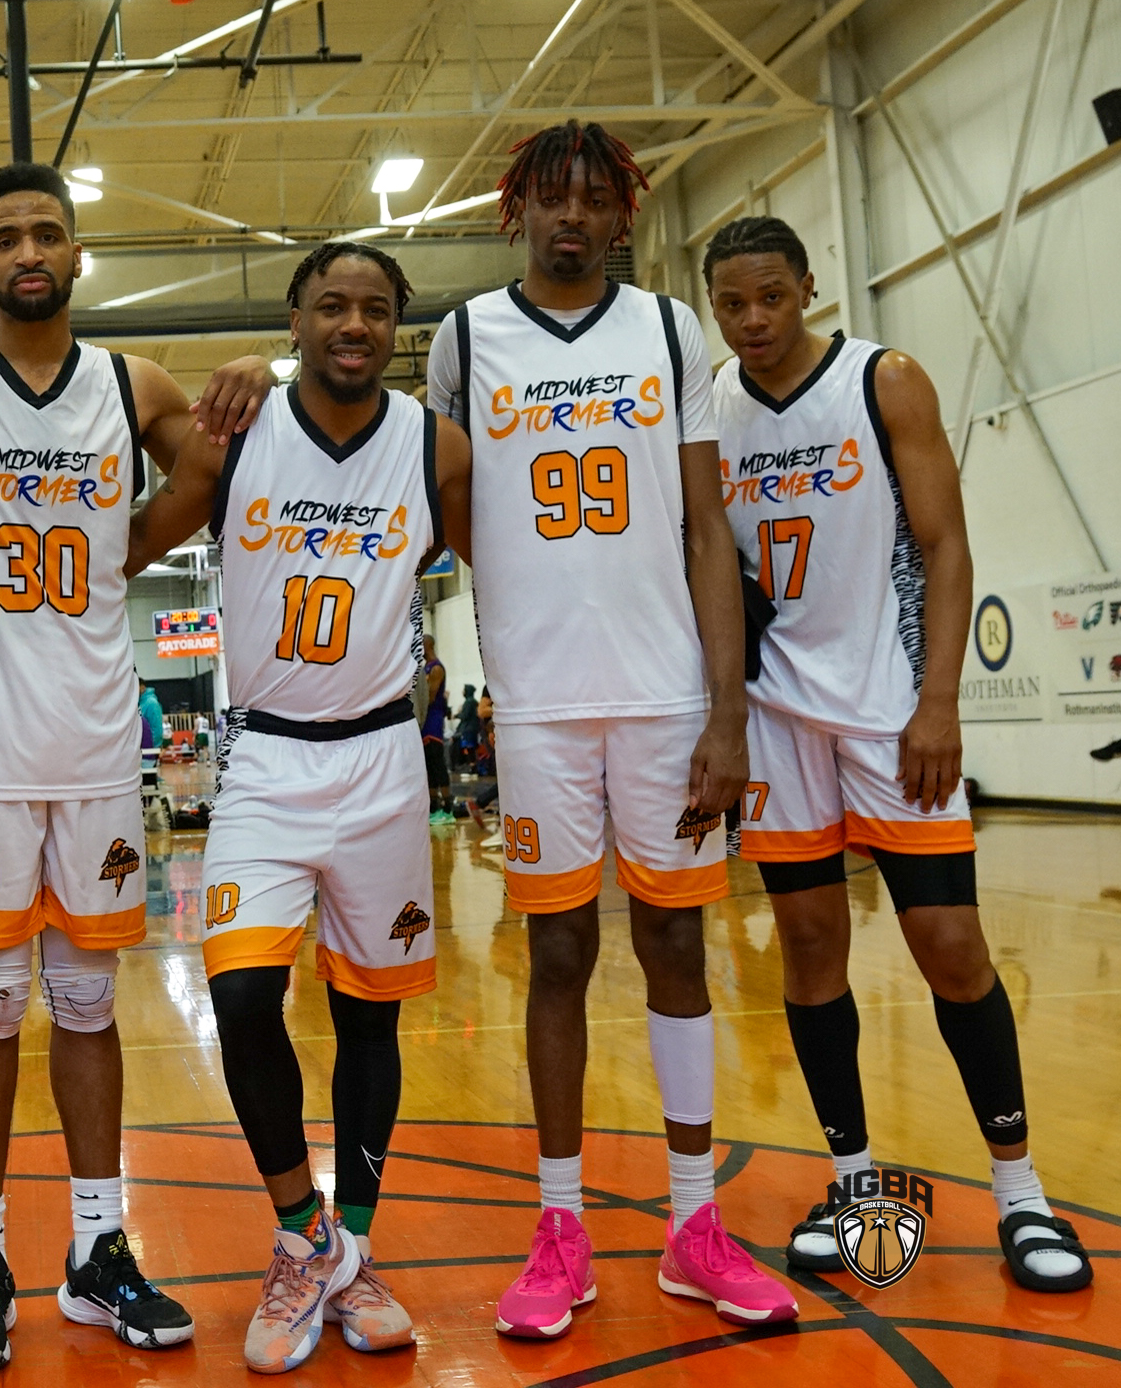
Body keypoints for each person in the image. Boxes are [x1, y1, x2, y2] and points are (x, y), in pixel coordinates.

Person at [0, 161, 273, 1371]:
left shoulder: (132, 382)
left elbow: (220, 465)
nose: (29, 248)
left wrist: (136, 535)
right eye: (6, 236)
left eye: (48, 232)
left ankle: (96, 1247)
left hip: (88, 742)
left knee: (86, 1004)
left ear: (77, 255)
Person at [426, 120, 794, 1337]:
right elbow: (451, 505)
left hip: (667, 693)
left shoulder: (669, 328)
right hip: (536, 703)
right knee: (559, 957)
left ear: (623, 213)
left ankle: (695, 1221)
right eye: (552, 197)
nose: (573, 215)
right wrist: (528, 605)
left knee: (680, 951)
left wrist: (727, 709)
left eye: (595, 197)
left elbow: (704, 525)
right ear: (514, 209)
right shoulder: (466, 336)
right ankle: (560, 1223)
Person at [706, 215, 1090, 1292]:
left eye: (770, 297)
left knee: (951, 944)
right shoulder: (709, 409)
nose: (753, 321)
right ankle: (854, 1178)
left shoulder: (885, 380)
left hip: (887, 707)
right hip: (776, 715)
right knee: (810, 946)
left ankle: (1021, 1193)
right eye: (732, 304)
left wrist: (938, 702)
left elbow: (946, 541)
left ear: (807, 287)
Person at [124, 241, 472, 1370]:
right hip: (267, 761)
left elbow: (520, 571)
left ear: (394, 328)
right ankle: (300, 1230)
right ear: (295, 319)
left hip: (381, 763)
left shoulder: (434, 444)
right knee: (242, 996)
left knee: (371, 1018)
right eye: (331, 305)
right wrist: (217, 367)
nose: (354, 324)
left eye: (375, 309)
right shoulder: (233, 437)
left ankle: (352, 1248)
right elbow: (121, 387)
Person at [420, 636, 452, 822]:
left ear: (428, 645)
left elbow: (430, 697)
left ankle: (448, 808)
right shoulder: (424, 668)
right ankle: (434, 808)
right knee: (428, 766)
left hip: (433, 719)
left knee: (437, 762)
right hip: (425, 719)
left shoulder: (436, 668)